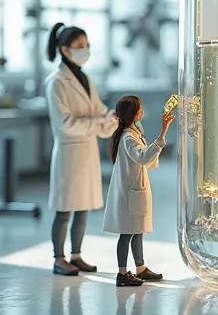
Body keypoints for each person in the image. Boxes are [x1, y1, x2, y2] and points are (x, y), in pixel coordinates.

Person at [46, 22, 117, 276]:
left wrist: (110, 120)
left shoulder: (85, 79)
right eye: (79, 47)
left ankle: (76, 255)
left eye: (86, 46)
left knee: (83, 208)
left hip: (86, 153)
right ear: (64, 50)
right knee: (64, 210)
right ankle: (58, 258)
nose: (85, 50)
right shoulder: (56, 83)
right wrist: (99, 122)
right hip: (68, 154)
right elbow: (66, 125)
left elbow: (98, 112)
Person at [103, 95, 175, 287]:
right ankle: (122, 273)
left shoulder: (134, 133)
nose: (142, 111)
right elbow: (143, 158)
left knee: (137, 230)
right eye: (140, 108)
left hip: (134, 190)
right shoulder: (128, 137)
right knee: (127, 233)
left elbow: (146, 161)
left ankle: (140, 268)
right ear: (133, 113)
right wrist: (163, 133)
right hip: (129, 193)